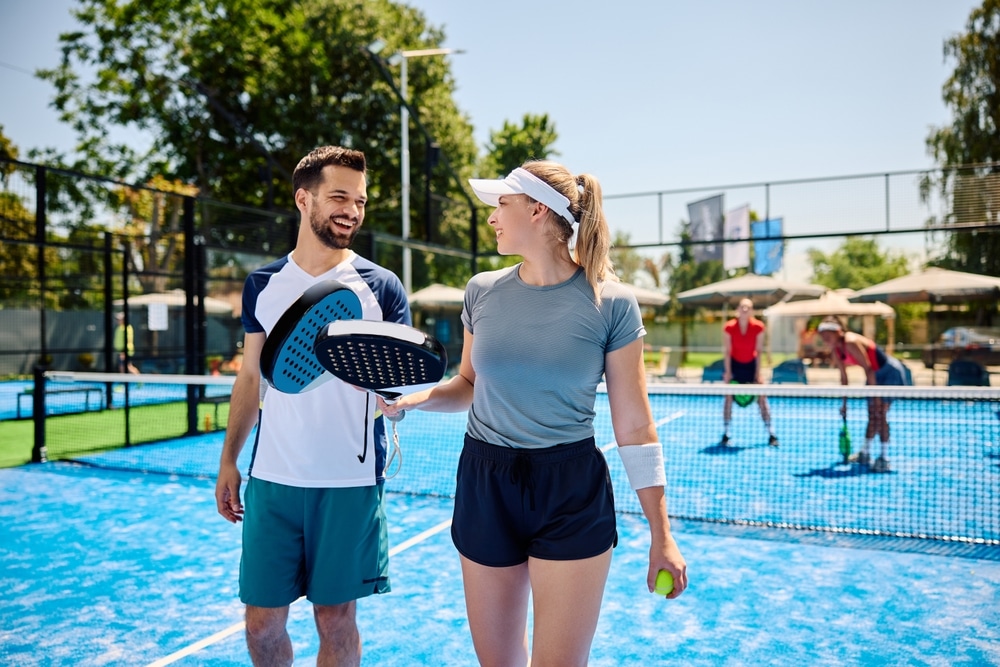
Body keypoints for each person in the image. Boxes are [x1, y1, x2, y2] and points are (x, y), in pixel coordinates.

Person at [379, 161, 687, 666]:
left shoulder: (612, 303)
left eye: (502, 204)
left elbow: (634, 424)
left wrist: (662, 533)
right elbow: (468, 385)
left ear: (538, 210)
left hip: (569, 489)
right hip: (485, 481)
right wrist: (415, 399)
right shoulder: (481, 291)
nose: (493, 217)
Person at [214, 145, 410, 666]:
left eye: (360, 201)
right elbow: (251, 377)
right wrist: (228, 459)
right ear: (304, 199)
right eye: (339, 196)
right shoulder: (263, 284)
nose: (351, 210)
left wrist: (396, 402)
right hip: (273, 480)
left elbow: (398, 384)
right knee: (261, 626)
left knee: (335, 619)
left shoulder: (381, 286)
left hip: (349, 482)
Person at [815, 315, 910, 473]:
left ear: (838, 331)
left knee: (879, 414)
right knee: (872, 415)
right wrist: (844, 404)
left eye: (827, 334)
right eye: (822, 335)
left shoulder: (851, 342)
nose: (824, 338)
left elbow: (868, 368)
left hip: (888, 373)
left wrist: (876, 396)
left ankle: (884, 458)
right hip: (873, 376)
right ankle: (864, 453)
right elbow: (844, 378)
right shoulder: (836, 350)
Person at [720, 298, 777, 446]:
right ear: (737, 309)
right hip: (735, 367)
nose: (745, 309)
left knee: (762, 399)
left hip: (751, 367)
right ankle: (726, 433)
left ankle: (771, 434)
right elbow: (727, 351)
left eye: (748, 307)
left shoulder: (758, 327)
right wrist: (728, 373)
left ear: (752, 311)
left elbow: (758, 351)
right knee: (728, 399)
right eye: (742, 307)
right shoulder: (729, 327)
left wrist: (757, 374)